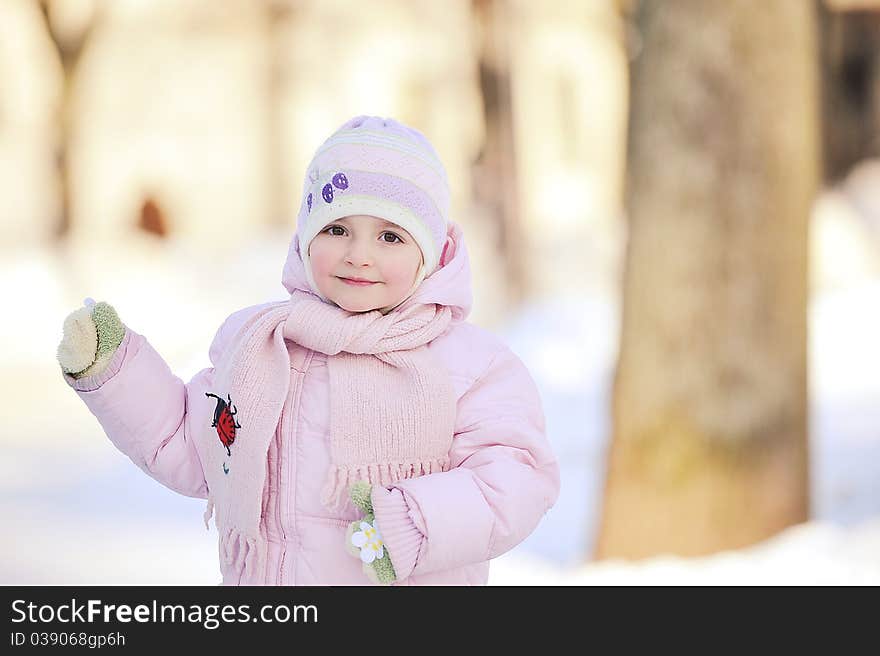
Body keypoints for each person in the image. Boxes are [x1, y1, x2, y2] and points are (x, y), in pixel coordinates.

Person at [56, 115, 560, 585]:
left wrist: (415, 521)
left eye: (390, 236)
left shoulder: (470, 365)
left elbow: (516, 479)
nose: (359, 255)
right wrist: (117, 372)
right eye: (336, 229)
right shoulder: (265, 345)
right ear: (304, 238)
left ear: (429, 254)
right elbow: (195, 448)